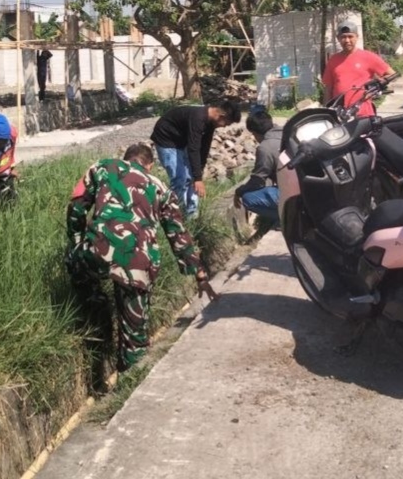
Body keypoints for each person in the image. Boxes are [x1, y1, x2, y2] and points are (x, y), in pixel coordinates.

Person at [64, 143, 218, 372]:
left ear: (125, 158)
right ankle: (130, 372)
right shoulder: (161, 188)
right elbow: (179, 236)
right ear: (150, 165)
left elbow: (76, 207)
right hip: (138, 263)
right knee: (135, 337)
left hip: (97, 251)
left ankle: (95, 307)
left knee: (75, 260)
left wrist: (76, 242)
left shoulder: (102, 167)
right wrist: (200, 275)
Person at [149, 98, 242, 217]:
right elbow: (193, 148)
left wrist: (199, 173)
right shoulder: (198, 118)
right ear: (221, 116)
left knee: (190, 177)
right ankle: (177, 214)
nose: (224, 127)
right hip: (166, 139)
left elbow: (204, 146)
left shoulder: (210, 122)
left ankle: (192, 213)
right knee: (179, 178)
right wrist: (198, 179)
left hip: (181, 140)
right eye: (226, 123)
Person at [322, 21, 392, 117]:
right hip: (339, 113)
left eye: (350, 36)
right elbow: (328, 88)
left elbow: (391, 74)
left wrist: (375, 87)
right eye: (343, 37)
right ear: (338, 38)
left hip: (363, 113)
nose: (347, 40)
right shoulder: (333, 60)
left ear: (357, 37)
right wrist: (326, 111)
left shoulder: (368, 56)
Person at [233, 109, 283, 229]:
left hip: (293, 194)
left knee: (248, 199)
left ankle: (288, 220)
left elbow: (258, 181)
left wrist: (239, 191)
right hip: (308, 189)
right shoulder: (287, 133)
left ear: (255, 132)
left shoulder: (265, 148)